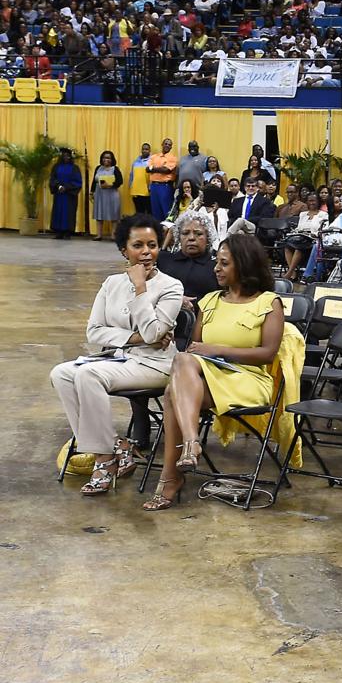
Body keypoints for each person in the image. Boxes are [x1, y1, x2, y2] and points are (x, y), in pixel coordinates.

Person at [143, 234, 283, 511]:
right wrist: (205, 352)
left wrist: (218, 349)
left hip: (249, 379)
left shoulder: (269, 303)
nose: (216, 269)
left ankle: (171, 476)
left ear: (243, 265)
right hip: (209, 376)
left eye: (224, 263)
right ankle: (190, 444)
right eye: (217, 263)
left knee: (174, 390)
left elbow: (268, 353)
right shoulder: (209, 301)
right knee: (180, 371)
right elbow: (195, 351)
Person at [50, 214, 183, 495]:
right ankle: (116, 446)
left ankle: (104, 460)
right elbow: (94, 331)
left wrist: (140, 288)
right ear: (124, 249)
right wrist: (136, 338)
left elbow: (153, 335)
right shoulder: (111, 283)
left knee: (87, 374)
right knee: (60, 373)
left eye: (152, 244)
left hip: (156, 365)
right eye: (138, 245)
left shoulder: (171, 286)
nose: (146, 252)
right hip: (121, 359)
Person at [157, 210, 220, 309]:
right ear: (178, 237)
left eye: (198, 234)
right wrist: (177, 300)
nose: (191, 238)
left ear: (208, 237)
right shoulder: (163, 260)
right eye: (185, 233)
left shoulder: (217, 265)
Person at [282, 192, 329, 281]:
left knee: (299, 247)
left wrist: (313, 233)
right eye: (309, 201)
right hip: (301, 237)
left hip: (313, 238)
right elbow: (299, 227)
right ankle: (294, 272)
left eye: (314, 201)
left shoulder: (323, 214)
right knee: (287, 246)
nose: (311, 203)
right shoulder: (303, 214)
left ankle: (289, 272)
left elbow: (324, 229)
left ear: (318, 202)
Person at [49, 148, 83, 240]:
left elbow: (78, 181)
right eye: (64, 156)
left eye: (68, 156)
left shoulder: (75, 168)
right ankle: (59, 232)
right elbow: (53, 179)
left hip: (69, 195)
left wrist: (66, 187)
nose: (66, 157)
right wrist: (58, 186)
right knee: (58, 212)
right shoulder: (56, 167)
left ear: (71, 157)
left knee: (69, 213)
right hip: (59, 194)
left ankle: (68, 232)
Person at [90, 149, 123, 241]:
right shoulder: (98, 168)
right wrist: (91, 192)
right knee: (99, 214)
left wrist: (110, 185)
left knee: (114, 214)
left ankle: (113, 235)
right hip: (100, 194)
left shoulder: (115, 169)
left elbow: (120, 181)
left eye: (108, 158)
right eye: (104, 157)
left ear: (112, 159)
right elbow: (94, 181)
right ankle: (99, 235)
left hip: (112, 194)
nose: (106, 159)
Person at [148, 138, 178, 221]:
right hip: (154, 186)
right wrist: (160, 168)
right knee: (155, 211)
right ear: (162, 144)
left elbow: (167, 170)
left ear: (171, 147)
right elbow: (147, 169)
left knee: (166, 210)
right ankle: (158, 231)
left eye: (169, 144)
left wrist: (153, 169)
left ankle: (167, 232)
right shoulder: (154, 157)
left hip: (165, 187)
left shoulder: (173, 158)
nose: (167, 145)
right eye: (166, 143)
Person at [129, 143, 153, 214]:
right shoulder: (136, 162)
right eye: (143, 149)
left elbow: (152, 175)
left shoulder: (151, 162)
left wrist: (150, 187)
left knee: (149, 212)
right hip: (136, 191)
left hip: (147, 192)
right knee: (139, 212)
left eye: (146, 149)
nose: (144, 151)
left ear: (149, 151)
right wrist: (131, 186)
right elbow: (132, 175)